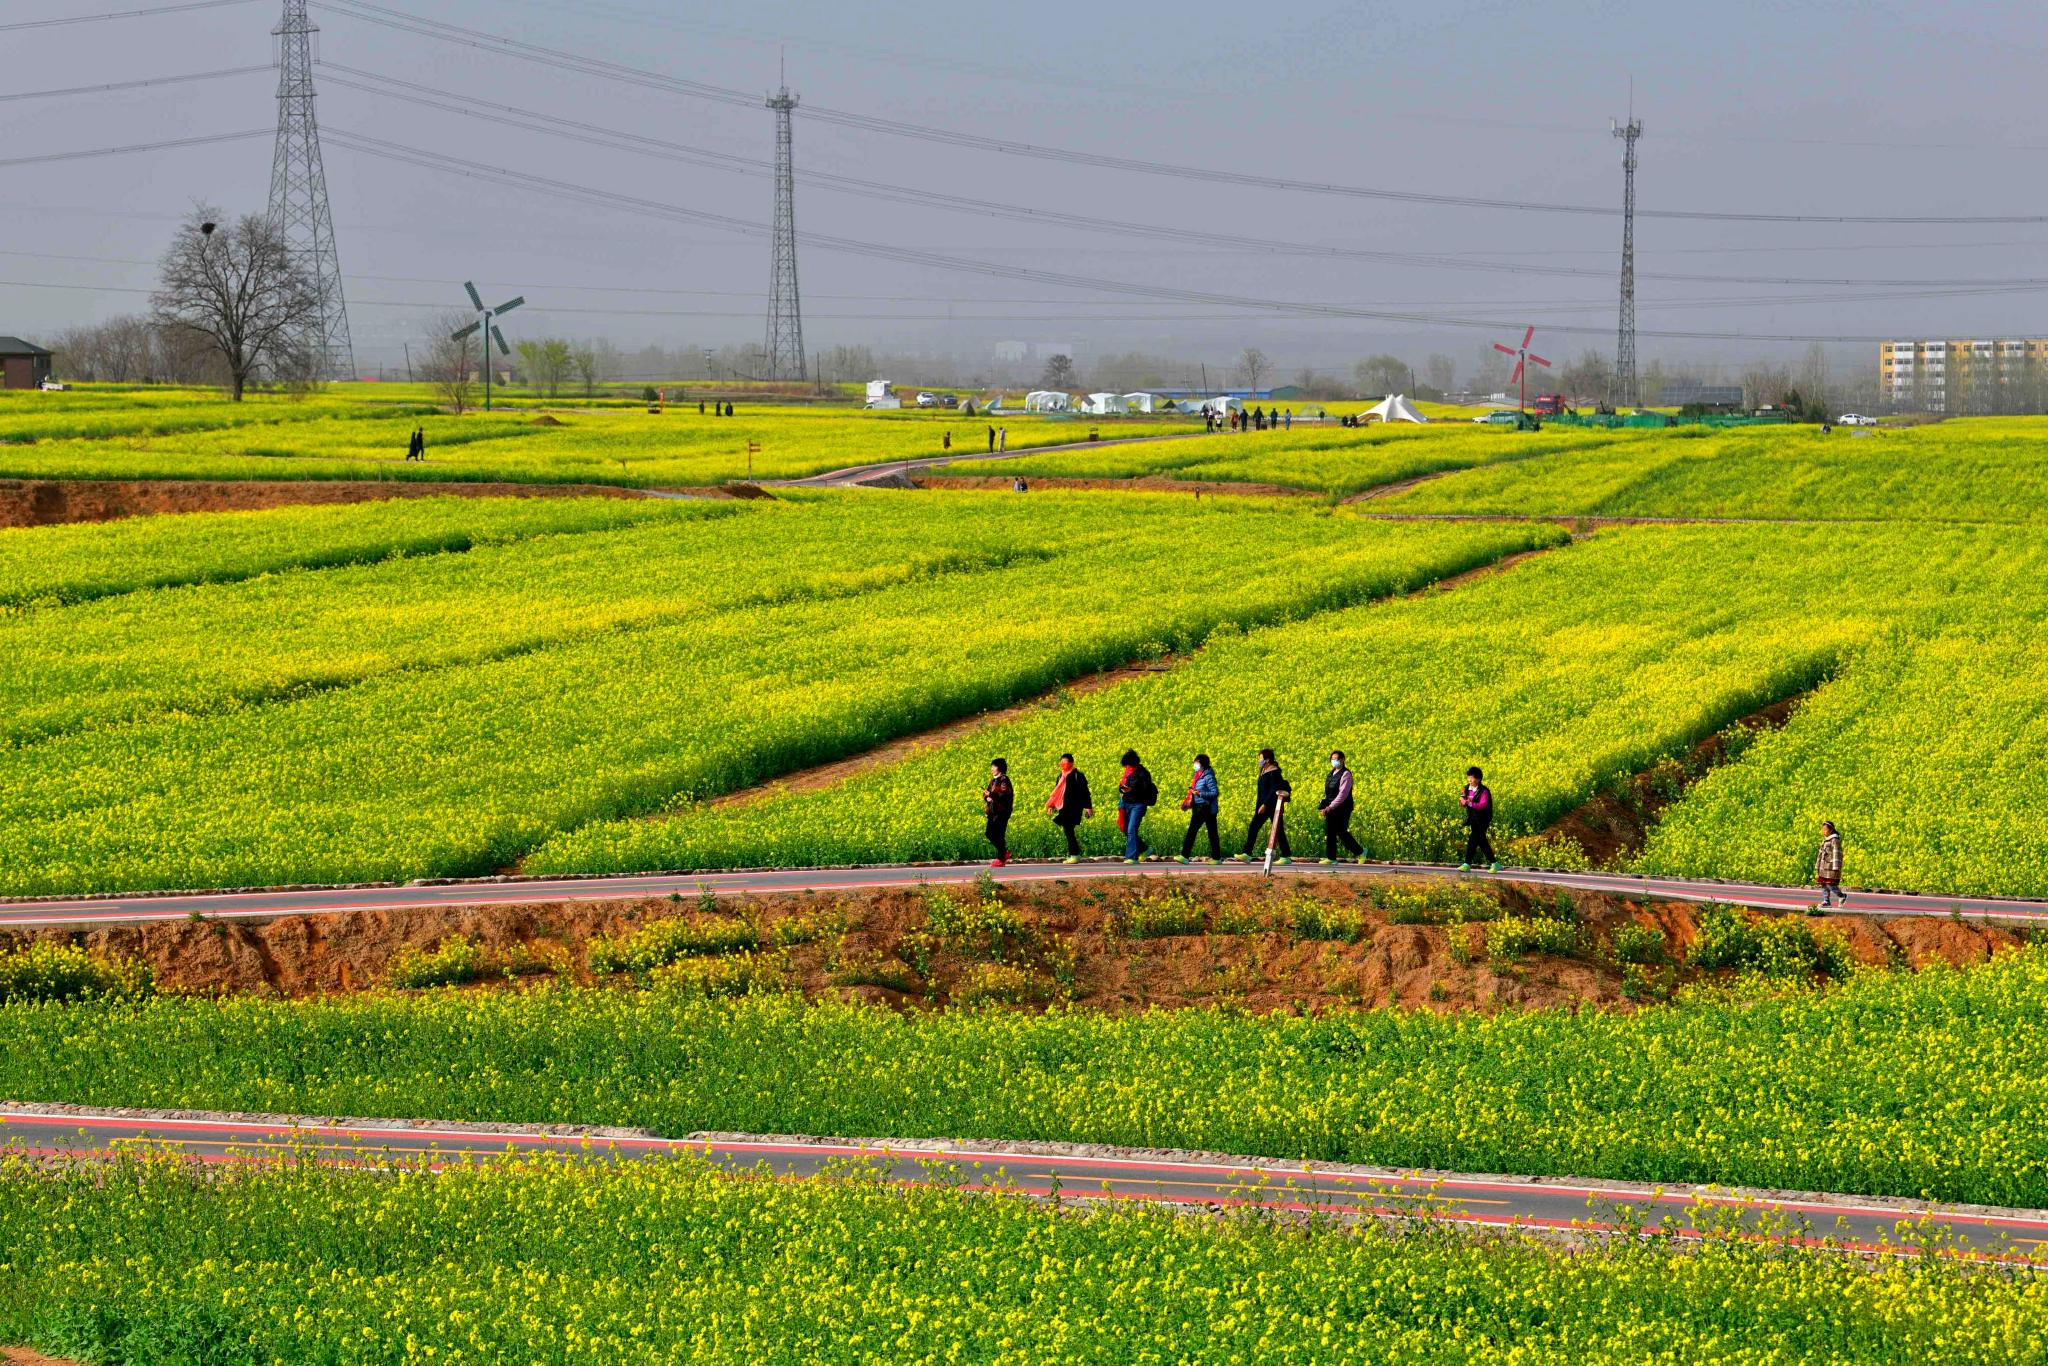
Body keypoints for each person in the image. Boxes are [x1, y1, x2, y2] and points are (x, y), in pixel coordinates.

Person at [1240, 748, 1292, 863]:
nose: (1259, 760)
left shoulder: (1274, 772)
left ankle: (1286, 856)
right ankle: (1247, 853)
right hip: (1263, 806)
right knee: (1254, 827)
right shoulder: (1264, 770)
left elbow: (1273, 790)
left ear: (1267, 759)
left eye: (1261, 758)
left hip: (1271, 806)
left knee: (1278, 830)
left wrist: (1265, 804)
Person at [1045, 753, 1093, 862]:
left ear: (1071, 763)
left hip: (1074, 807)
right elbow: (1057, 792)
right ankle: (1074, 854)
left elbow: (1085, 793)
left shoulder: (1078, 776)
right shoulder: (1060, 776)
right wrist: (1051, 805)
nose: (1062, 764)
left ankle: (1074, 854)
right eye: (1061, 763)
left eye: (1064, 762)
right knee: (1068, 830)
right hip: (1063, 807)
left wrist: (1088, 807)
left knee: (1068, 829)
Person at [1319, 750, 1363, 863]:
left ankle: (1361, 852)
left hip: (1343, 808)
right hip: (1332, 807)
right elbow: (1329, 792)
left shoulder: (1346, 774)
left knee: (1341, 831)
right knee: (1330, 832)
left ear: (1342, 760)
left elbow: (1343, 794)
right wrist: (1324, 804)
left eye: (1336, 759)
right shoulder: (1331, 773)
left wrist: (1330, 807)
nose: (1334, 761)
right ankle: (1331, 858)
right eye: (1332, 759)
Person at [1177, 753, 1221, 862]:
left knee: (1193, 831)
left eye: (1196, 762)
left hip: (1205, 808)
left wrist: (1200, 794)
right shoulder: (1198, 776)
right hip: (1199, 807)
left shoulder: (1208, 777)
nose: (1194, 764)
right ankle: (1217, 858)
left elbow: (1215, 793)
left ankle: (1184, 856)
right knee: (1212, 833)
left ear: (1202, 764)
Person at [1117, 748, 1157, 864]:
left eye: (1129, 764)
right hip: (1126, 803)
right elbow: (1121, 786)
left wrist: (1132, 790)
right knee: (1125, 829)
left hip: (1138, 804)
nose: (1127, 767)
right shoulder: (1128, 772)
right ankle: (1145, 849)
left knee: (1131, 829)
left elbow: (1145, 789)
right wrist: (1122, 789)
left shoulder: (1143, 773)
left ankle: (1132, 857)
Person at [1460, 766, 1497, 872]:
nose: (1469, 780)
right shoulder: (1466, 788)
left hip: (1483, 818)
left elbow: (1483, 805)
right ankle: (1494, 863)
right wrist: (1462, 801)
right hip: (1473, 818)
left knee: (1475, 839)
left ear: (1478, 779)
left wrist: (1470, 803)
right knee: (1479, 840)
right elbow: (1462, 797)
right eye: (1468, 778)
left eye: (1471, 778)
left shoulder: (1484, 791)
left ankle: (1467, 864)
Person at [982, 758, 1014, 867]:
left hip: (1002, 812)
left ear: (999, 768)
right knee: (989, 833)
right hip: (992, 812)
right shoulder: (993, 781)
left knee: (999, 835)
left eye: (994, 766)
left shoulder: (1004, 780)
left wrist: (991, 794)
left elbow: (1003, 794)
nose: (992, 768)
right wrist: (987, 798)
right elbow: (987, 794)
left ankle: (1001, 858)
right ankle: (1004, 852)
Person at [1814, 820, 1846, 909]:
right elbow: (1820, 854)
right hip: (1823, 867)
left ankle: (1841, 895)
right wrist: (1817, 865)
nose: (1823, 831)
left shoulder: (1835, 840)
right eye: (1823, 830)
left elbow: (1837, 853)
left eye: (1825, 830)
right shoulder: (1824, 840)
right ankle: (1826, 901)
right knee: (1823, 884)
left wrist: (1836, 867)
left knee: (1830, 884)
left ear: (1831, 830)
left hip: (1831, 867)